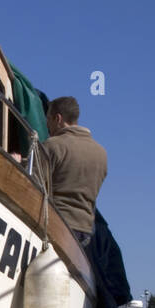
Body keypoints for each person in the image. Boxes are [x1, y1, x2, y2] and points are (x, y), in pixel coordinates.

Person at [35, 97, 107, 247]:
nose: (47, 125)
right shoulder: (101, 154)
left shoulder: (53, 145)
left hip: (57, 225)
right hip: (85, 232)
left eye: (48, 119)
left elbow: (34, 182)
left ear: (58, 118)